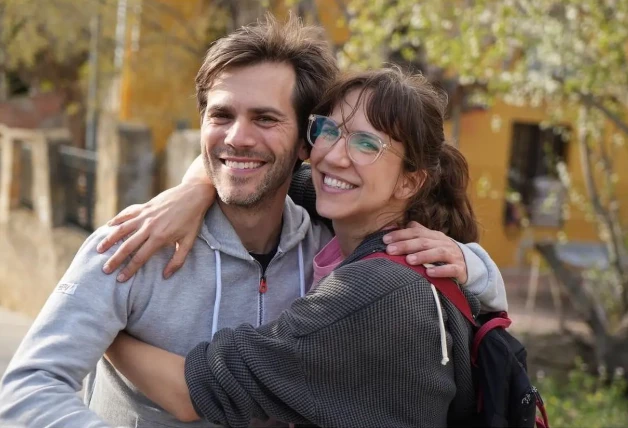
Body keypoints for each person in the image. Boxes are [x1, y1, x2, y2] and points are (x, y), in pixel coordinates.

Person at [0, 16, 504, 428]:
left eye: (265, 119)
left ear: (304, 145)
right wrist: (194, 187)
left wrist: (474, 263)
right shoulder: (137, 241)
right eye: (221, 116)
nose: (238, 138)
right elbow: (25, 394)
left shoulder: (342, 252)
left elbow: (191, 395)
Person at [104, 68, 503, 428]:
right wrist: (194, 191)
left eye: (367, 144)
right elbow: (243, 168)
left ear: (409, 183)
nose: (332, 156)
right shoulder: (348, 209)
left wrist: (105, 329)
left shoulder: (373, 293)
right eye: (329, 130)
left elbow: (195, 392)